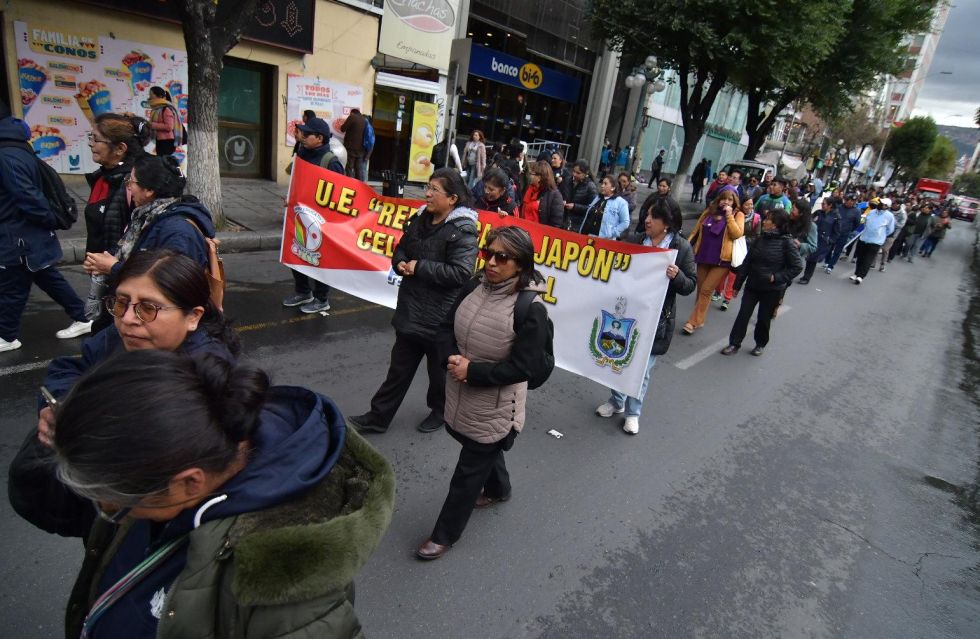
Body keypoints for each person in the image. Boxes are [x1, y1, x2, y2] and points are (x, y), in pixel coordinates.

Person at [9, 349, 394, 638]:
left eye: (111, 496)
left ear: (189, 482)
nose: (104, 507)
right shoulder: (163, 458)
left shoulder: (286, 590)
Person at [416, 227, 553, 560]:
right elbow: (446, 326)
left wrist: (472, 371)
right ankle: (499, 488)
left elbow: (525, 368)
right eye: (486, 253)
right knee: (481, 447)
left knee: (468, 472)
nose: (491, 262)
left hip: (495, 405)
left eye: (501, 257)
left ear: (520, 264)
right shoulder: (474, 286)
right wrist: (451, 357)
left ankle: (444, 534)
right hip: (462, 394)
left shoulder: (530, 309)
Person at [40, 249, 240, 428]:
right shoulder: (118, 336)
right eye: (121, 302)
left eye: (147, 308)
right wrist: (60, 403)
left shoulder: (205, 381)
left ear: (193, 317)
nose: (127, 319)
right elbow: (71, 368)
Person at [348, 168, 479, 434]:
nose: (427, 194)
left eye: (434, 190)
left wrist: (419, 267)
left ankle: (440, 411)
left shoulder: (463, 230)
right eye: (427, 187)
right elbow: (402, 248)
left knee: (438, 373)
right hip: (411, 310)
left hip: (440, 317)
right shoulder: (420, 219)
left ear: (452, 199)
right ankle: (378, 417)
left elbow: (462, 272)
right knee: (398, 371)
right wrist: (400, 264)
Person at [594, 202, 696, 434]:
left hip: (657, 321)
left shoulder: (681, 248)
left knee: (642, 370)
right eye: (647, 215)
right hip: (629, 316)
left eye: (653, 216)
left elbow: (690, 285)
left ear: (667, 223)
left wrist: (677, 276)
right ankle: (616, 401)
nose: (647, 220)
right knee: (619, 360)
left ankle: (633, 413)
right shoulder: (637, 240)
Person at [82, 154, 214, 331]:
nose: (128, 186)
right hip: (140, 315)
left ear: (149, 190)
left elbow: (172, 282)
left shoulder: (177, 230)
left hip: (155, 325)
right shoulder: (147, 215)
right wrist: (102, 261)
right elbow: (135, 252)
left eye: (132, 181)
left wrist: (113, 268)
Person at [0, 105, 91, 352]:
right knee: (45, 276)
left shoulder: (6, 156)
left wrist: (48, 219)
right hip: (26, 233)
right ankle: (84, 317)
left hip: (18, 234)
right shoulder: (20, 151)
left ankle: (7, 335)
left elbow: (27, 195)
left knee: (12, 285)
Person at [82, 113, 151, 321]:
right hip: (104, 273)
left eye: (96, 139)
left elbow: (138, 239)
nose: (91, 144)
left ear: (120, 148)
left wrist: (112, 267)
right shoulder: (103, 177)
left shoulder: (132, 185)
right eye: (90, 137)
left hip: (123, 278)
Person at [282, 117, 343, 314]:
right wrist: (291, 197)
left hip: (321, 221)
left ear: (319, 138)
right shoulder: (302, 154)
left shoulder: (330, 162)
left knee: (319, 259)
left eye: (307, 134)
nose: (303, 137)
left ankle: (321, 298)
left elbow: (339, 194)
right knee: (296, 254)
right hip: (299, 215)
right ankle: (303, 291)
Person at [721, 208, 803, 356]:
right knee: (743, 315)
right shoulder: (760, 239)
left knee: (763, 319)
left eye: (768, 219)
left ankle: (760, 343)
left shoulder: (787, 243)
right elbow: (747, 263)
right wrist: (737, 285)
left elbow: (797, 267)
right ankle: (734, 344)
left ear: (776, 224)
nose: (764, 221)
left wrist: (776, 277)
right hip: (753, 285)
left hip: (772, 290)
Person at [681, 190, 744, 335]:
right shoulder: (709, 211)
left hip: (723, 260)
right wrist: (687, 247)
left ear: (734, 202)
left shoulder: (737, 214)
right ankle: (699, 319)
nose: (726, 202)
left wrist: (729, 216)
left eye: (730, 200)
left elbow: (736, 234)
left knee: (707, 290)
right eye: (723, 199)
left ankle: (692, 322)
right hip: (703, 256)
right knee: (701, 288)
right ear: (718, 200)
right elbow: (695, 231)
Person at [716, 197, 759, 310]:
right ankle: (718, 291)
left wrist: (742, 240)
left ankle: (727, 298)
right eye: (747, 204)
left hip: (743, 251)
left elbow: (756, 236)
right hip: (729, 247)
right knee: (722, 272)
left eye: (751, 204)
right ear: (740, 205)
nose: (749, 207)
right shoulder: (733, 214)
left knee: (733, 275)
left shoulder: (756, 218)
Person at [849, 198, 895, 285]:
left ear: (887, 207)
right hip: (864, 238)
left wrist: (880, 235)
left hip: (876, 241)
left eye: (883, 204)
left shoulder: (889, 216)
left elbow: (890, 229)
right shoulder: (872, 212)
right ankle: (856, 273)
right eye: (880, 202)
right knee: (860, 258)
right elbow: (866, 222)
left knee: (868, 259)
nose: (880, 204)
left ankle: (861, 276)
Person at [799, 198, 840, 284]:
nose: (822, 205)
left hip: (823, 242)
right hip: (812, 238)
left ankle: (807, 277)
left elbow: (836, 232)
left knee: (813, 259)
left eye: (824, 204)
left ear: (830, 205)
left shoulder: (835, 217)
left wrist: (830, 240)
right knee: (805, 255)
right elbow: (809, 221)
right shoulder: (818, 213)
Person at [825, 193, 862, 272]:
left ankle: (830, 266)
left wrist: (849, 230)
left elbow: (857, 223)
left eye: (853, 201)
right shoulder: (839, 208)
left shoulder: (857, 211)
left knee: (838, 251)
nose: (851, 202)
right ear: (845, 200)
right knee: (829, 247)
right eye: (850, 200)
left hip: (844, 233)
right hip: (834, 232)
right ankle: (827, 261)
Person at [522, 160, 564, 226]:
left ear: (539, 177)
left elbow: (556, 223)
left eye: (531, 174)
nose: (529, 176)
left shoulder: (555, 196)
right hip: (524, 229)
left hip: (539, 233)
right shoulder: (529, 189)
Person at [563, 159, 598, 230]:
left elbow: (592, 209)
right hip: (564, 220)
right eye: (573, 171)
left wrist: (575, 207)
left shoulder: (590, 187)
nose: (574, 174)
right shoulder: (568, 180)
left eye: (578, 173)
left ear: (586, 173)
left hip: (578, 224)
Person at [147, 86, 182, 157]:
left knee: (165, 165)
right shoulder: (155, 109)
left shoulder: (166, 109)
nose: (149, 97)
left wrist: (152, 125)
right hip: (160, 141)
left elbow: (169, 126)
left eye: (151, 94)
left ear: (159, 96)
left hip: (167, 142)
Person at [878, 198, 906, 271]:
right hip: (882, 231)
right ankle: (872, 263)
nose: (892, 205)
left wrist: (892, 221)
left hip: (892, 234)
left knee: (885, 249)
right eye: (892, 204)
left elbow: (901, 225)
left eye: (894, 204)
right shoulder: (888, 209)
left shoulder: (902, 214)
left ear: (898, 205)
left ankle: (883, 265)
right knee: (877, 247)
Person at [340, 107, 367, 181]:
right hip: (361, 148)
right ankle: (360, 185)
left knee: (349, 167)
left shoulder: (352, 117)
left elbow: (343, 129)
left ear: (352, 113)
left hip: (351, 147)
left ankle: (350, 184)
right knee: (358, 169)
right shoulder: (364, 120)